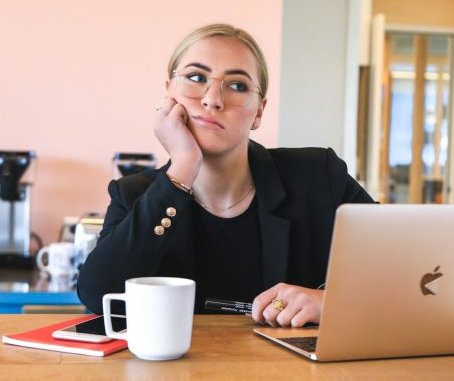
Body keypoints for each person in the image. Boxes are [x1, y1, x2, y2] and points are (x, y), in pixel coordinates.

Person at [77, 23, 375, 328]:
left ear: (259, 111)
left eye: (237, 85)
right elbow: (98, 295)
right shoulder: (134, 194)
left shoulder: (318, 176)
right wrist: (182, 167)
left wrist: (331, 302)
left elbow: (406, 272)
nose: (212, 99)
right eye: (196, 78)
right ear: (168, 94)